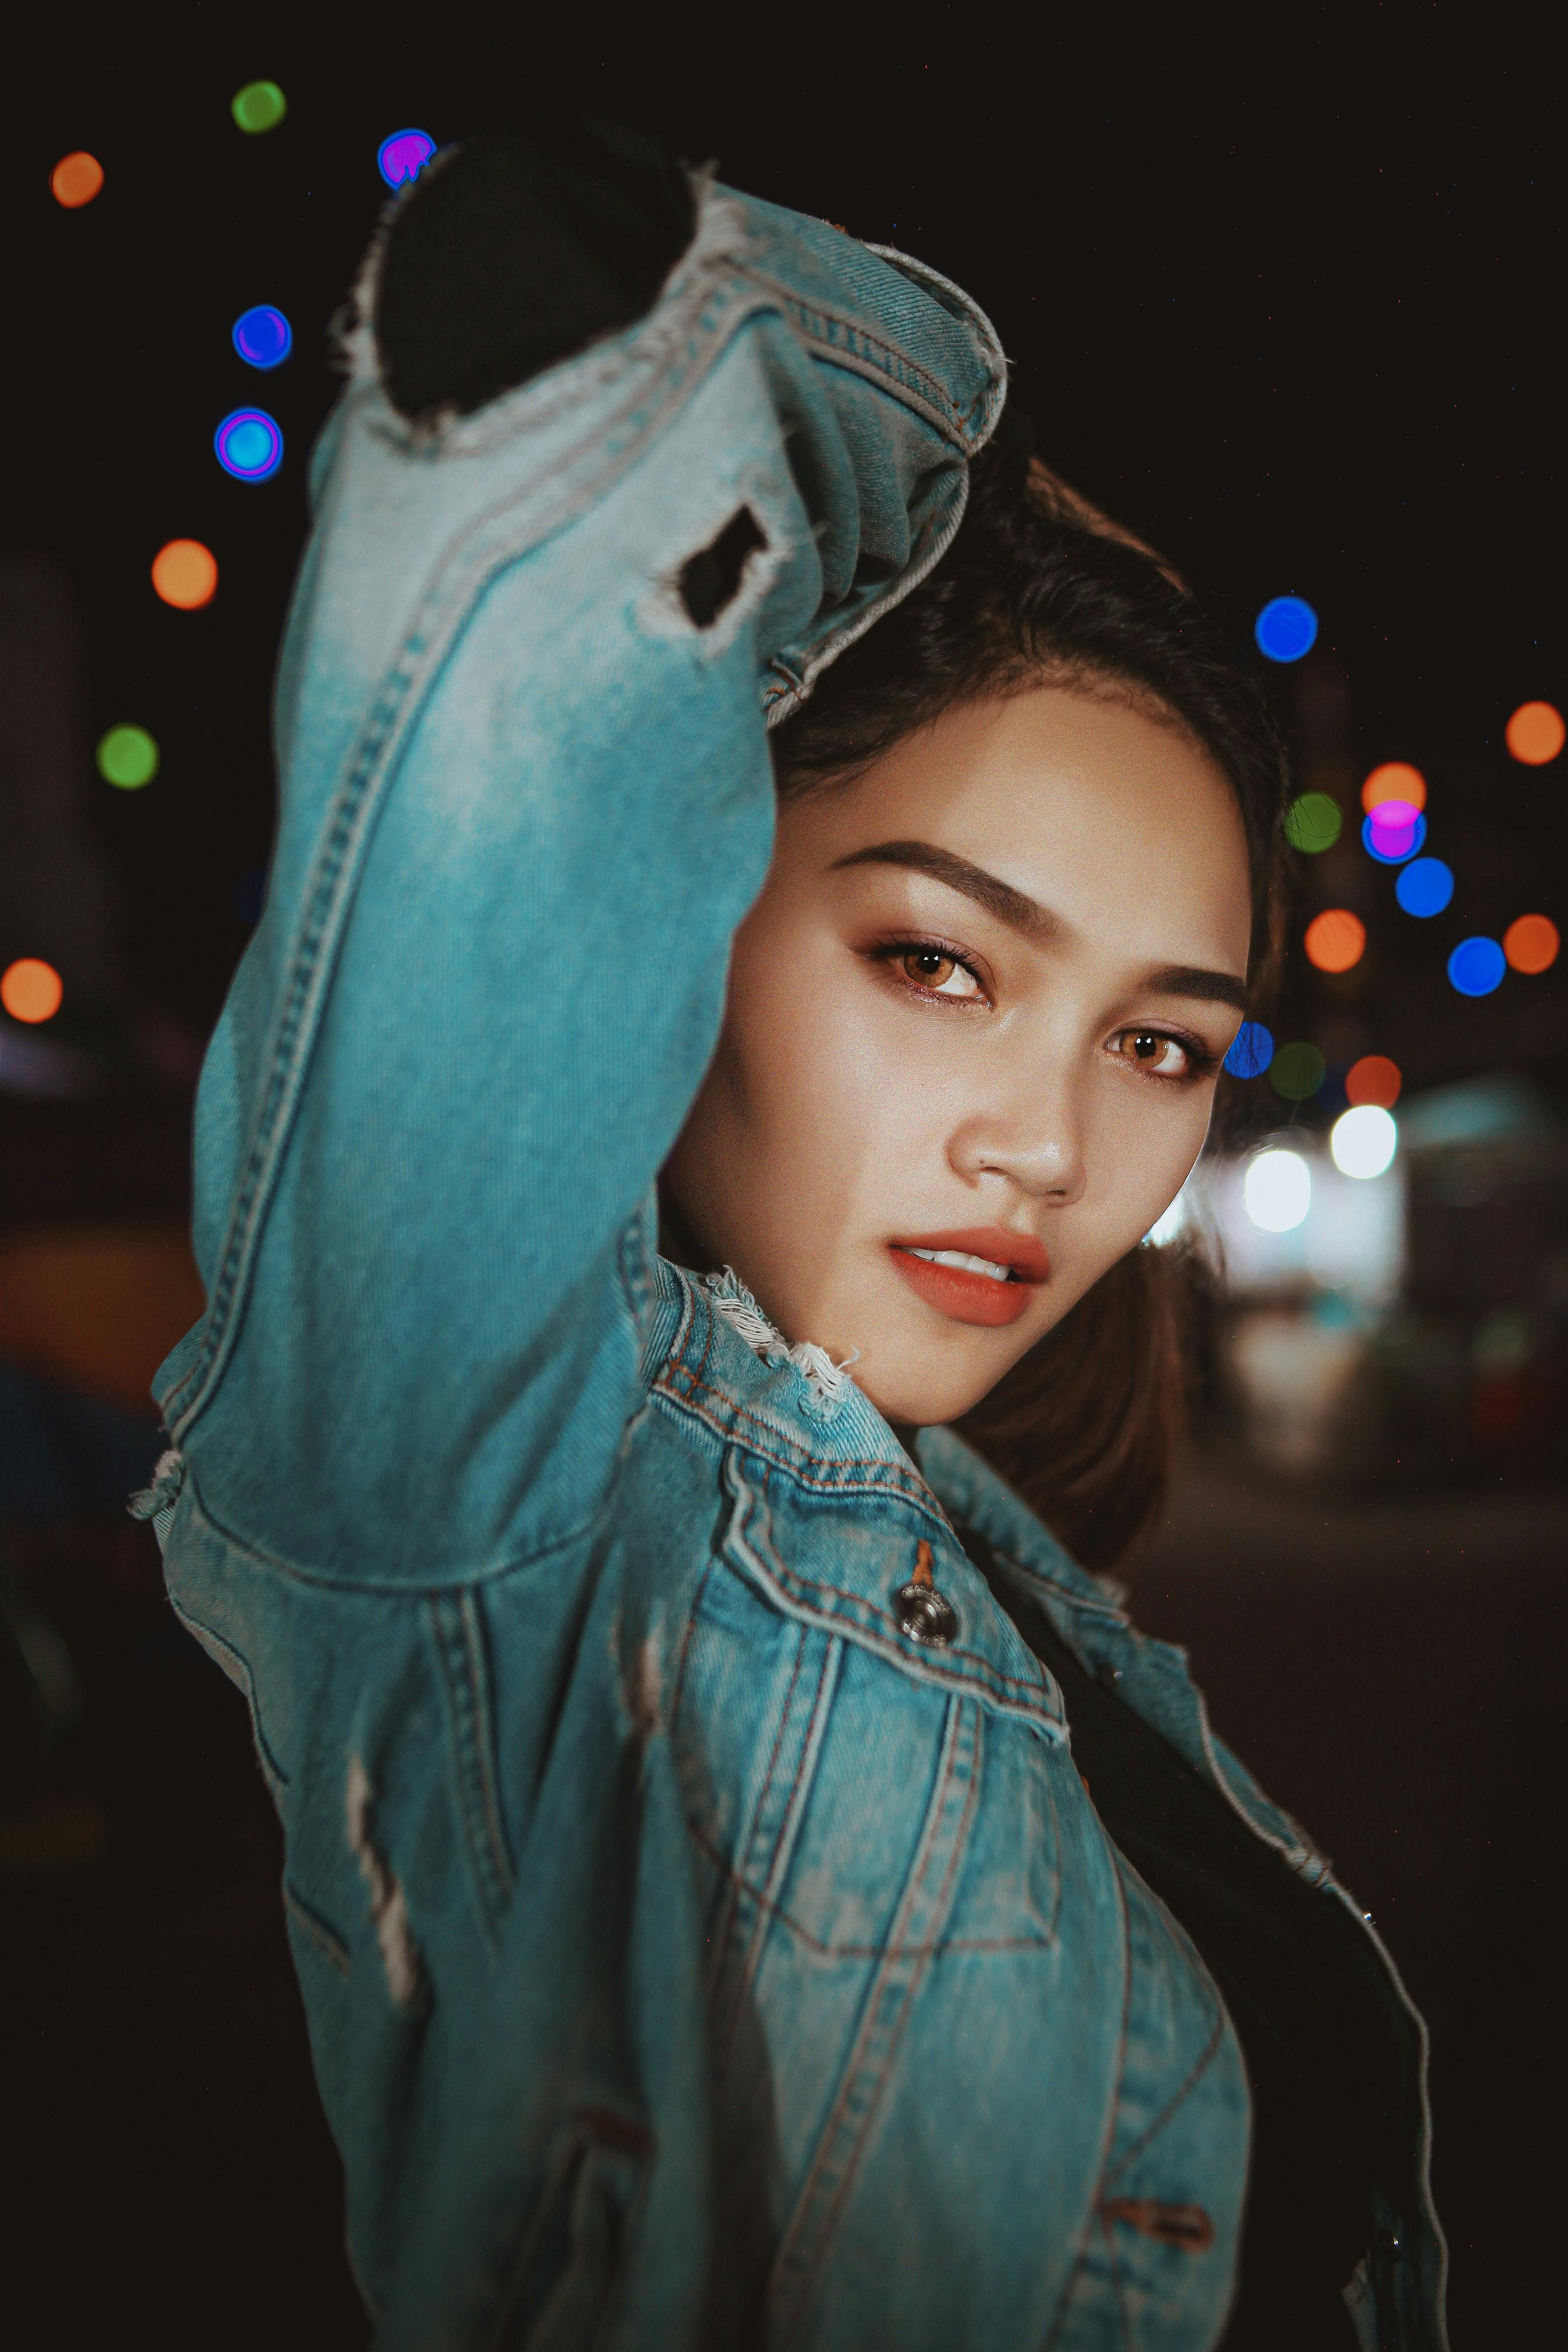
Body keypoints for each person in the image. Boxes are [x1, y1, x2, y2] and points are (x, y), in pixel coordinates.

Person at [136, 117, 1447, 2350]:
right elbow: (563, 398)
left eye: (1160, 1043)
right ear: (693, 904)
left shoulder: (1041, 1614)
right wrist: (963, 459)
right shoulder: (504, 1517)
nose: (1048, 1145)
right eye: (938, 962)